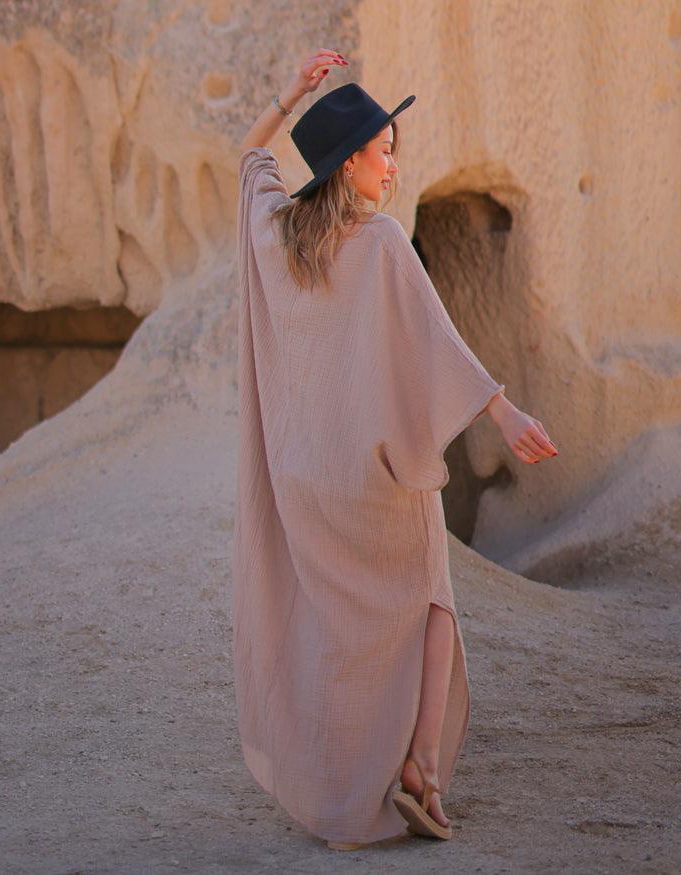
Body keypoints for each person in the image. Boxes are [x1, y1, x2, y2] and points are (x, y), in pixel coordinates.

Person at [232, 48, 559, 851]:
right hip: (374, 482)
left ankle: (346, 783)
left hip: (304, 482)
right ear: (348, 165)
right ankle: (420, 769)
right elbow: (436, 338)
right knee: (433, 606)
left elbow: (248, 156)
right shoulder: (378, 242)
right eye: (384, 153)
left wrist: (292, 94)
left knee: (345, 634)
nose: (394, 169)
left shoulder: (276, 236)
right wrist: (502, 408)